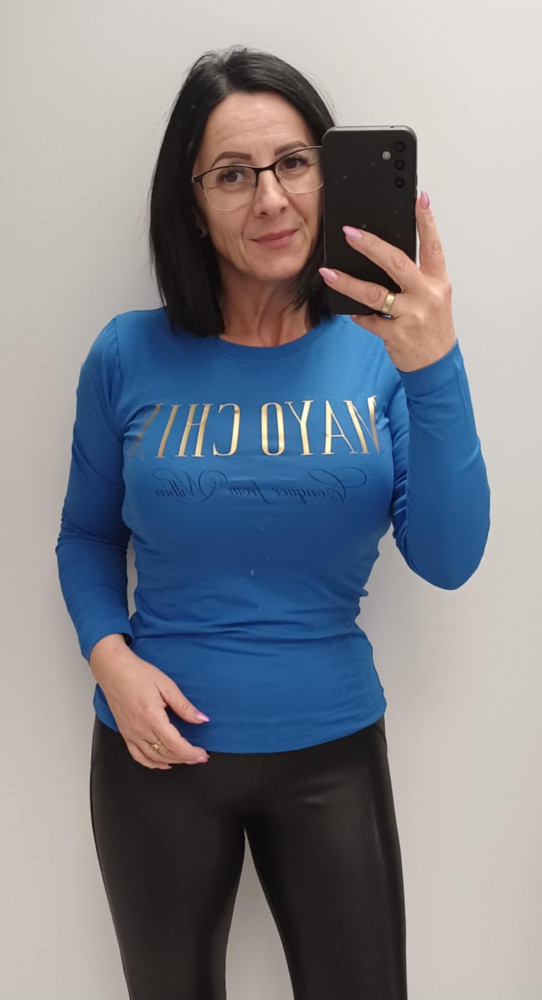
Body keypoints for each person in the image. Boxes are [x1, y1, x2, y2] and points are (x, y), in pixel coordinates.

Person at [55, 45, 490, 1000]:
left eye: (295, 163)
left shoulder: (381, 354)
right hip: (155, 753)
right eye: (233, 175)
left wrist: (435, 363)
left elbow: (450, 557)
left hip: (332, 749)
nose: (272, 199)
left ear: (328, 175)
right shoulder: (126, 354)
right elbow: (86, 534)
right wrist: (110, 659)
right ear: (192, 203)